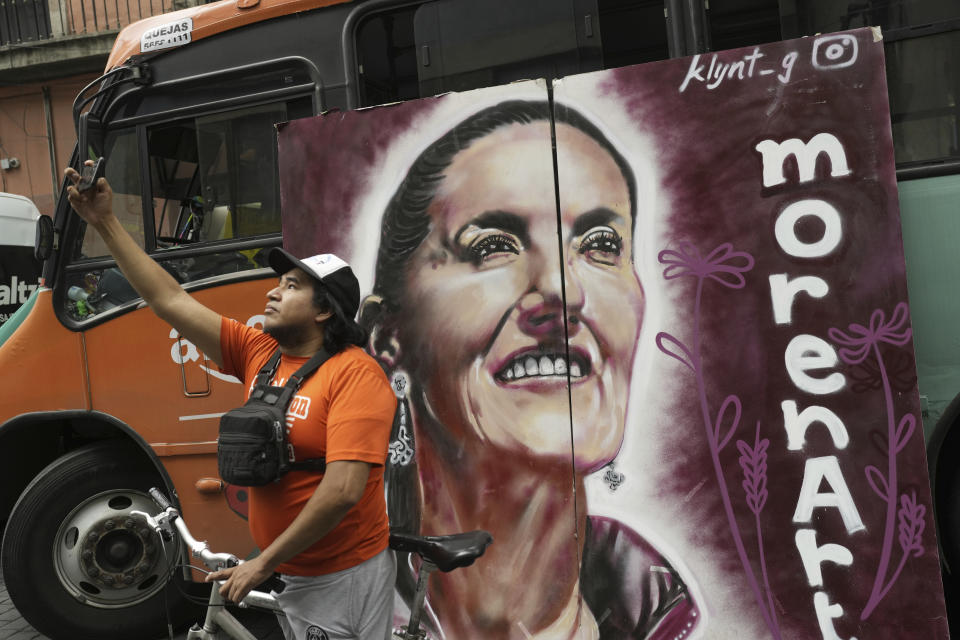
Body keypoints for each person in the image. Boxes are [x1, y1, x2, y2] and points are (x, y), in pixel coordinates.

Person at [358, 100, 699, 639]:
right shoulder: (353, 604)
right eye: (494, 246)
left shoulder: (658, 607)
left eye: (601, 244)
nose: (564, 290)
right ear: (388, 337)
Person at [65, 166, 397, 640]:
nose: (272, 290)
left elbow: (343, 491)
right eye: (278, 281)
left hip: (342, 575)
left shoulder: (355, 374)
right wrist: (104, 223)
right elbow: (169, 300)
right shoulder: (260, 355)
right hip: (293, 569)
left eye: (292, 286)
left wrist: (263, 562)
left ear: (325, 310)